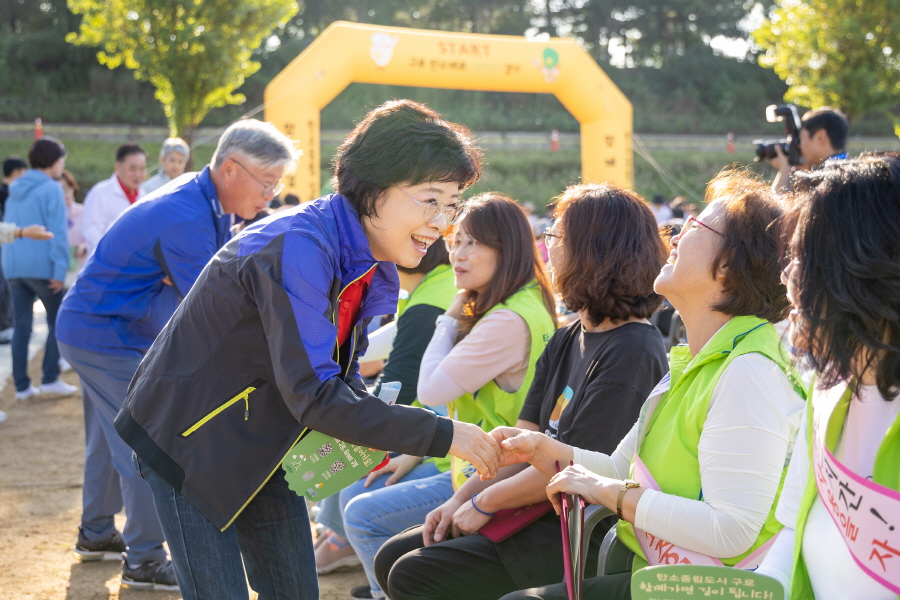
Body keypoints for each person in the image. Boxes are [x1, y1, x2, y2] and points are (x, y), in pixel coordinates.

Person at [114, 100, 502, 600]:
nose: (443, 223)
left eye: (452, 204)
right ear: (373, 189)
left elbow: (340, 378)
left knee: (295, 589)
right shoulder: (297, 246)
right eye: (430, 200)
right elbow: (316, 394)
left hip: (268, 439)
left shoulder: (367, 258)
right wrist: (442, 434)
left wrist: (379, 426)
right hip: (188, 439)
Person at [484, 170, 807, 600]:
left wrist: (606, 492)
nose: (674, 236)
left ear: (727, 268)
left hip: (706, 586)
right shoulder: (699, 357)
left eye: (694, 227)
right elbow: (622, 469)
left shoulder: (749, 372)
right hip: (664, 569)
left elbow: (732, 531)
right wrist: (546, 451)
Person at [375, 183, 670, 600]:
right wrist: (461, 499)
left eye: (556, 237)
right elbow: (522, 440)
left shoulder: (633, 350)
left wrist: (483, 504)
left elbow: (577, 470)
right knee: (394, 556)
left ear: (595, 250)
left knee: (415, 573)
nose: (547, 249)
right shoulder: (571, 335)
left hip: (567, 526)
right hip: (527, 506)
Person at [55, 119, 296, 591]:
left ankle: (97, 531)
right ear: (230, 168)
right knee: (148, 441)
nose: (271, 195)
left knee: (108, 438)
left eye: (277, 184)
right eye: (267, 183)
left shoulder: (199, 195)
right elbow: (213, 312)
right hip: (107, 334)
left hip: (96, 325)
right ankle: (143, 558)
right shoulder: (187, 216)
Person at [342, 193, 558, 599]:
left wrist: (449, 318)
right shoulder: (520, 302)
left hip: (490, 473)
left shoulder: (505, 319)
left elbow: (430, 389)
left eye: (471, 243)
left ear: (506, 248)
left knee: (362, 513)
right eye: (454, 240)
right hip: (483, 466)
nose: (456, 253)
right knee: (359, 499)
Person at [755, 154, 900, 599]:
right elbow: (790, 533)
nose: (786, 278)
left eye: (801, 259)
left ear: (860, 269)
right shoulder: (828, 390)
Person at [314, 239, 458, 574]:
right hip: (437, 426)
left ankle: (341, 539)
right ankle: (335, 532)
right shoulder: (435, 286)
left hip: (438, 433)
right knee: (350, 434)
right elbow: (397, 339)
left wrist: (351, 416)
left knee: (350, 447)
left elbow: (399, 386)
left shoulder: (431, 301)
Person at [2, 137, 76, 401]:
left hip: (13, 266)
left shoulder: (15, 186)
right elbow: (56, 231)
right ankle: (50, 378)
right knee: (60, 320)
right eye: (61, 160)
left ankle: (21, 386)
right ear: (54, 162)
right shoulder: (52, 188)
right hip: (42, 266)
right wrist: (59, 270)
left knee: (22, 326)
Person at [81, 143, 147, 256]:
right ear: (118, 167)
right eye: (133, 168)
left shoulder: (144, 196)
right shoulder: (100, 193)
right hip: (106, 266)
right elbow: (91, 232)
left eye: (142, 169)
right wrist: (113, 256)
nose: (138, 174)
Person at [771, 107, 849, 192]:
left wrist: (785, 170)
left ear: (820, 137)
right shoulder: (850, 172)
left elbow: (775, 205)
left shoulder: (830, 180)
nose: (799, 145)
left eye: (801, 138)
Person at [0, 157, 28, 344]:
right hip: (5, 246)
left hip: (8, 246)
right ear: (17, 172)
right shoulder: (7, 194)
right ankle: (4, 328)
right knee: (3, 288)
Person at [60, 170, 87, 275]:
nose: (66, 193)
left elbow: (92, 237)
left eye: (68, 188)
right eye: (61, 189)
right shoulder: (48, 215)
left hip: (78, 268)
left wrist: (84, 246)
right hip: (56, 271)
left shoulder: (83, 211)